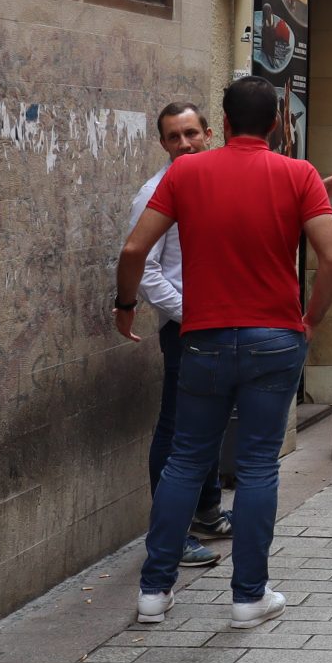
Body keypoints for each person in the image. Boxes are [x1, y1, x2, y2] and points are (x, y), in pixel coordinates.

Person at [116, 75, 332, 630]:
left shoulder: (188, 173)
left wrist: (125, 304)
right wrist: (308, 319)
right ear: (276, 124)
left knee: (186, 458)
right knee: (257, 465)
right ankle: (248, 597)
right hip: (275, 338)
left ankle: (154, 592)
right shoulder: (300, 175)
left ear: (221, 124)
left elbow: (133, 248)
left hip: (205, 337)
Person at [127, 103, 225, 569]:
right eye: (173, 137)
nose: (184, 143)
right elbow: (143, 268)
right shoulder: (154, 192)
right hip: (186, 327)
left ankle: (206, 510)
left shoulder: (216, 182)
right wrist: (192, 313)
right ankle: (172, 533)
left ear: (208, 133)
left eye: (191, 133)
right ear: (162, 143)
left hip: (221, 322)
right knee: (177, 427)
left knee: (212, 418)